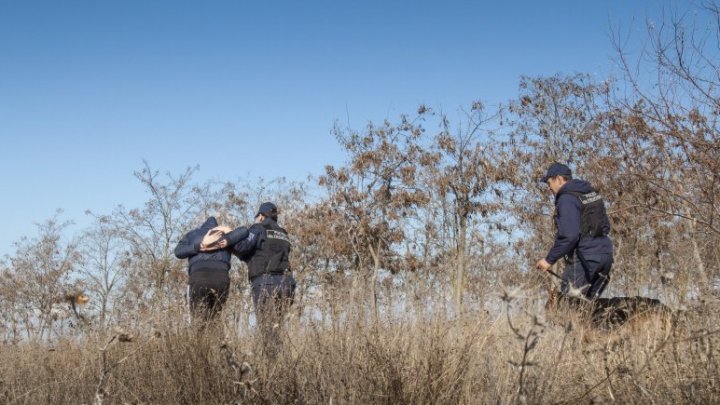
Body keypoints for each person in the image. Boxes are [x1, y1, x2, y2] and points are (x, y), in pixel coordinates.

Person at [536, 163, 614, 299]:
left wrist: (549, 260)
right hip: (605, 256)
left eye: (549, 182)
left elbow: (569, 236)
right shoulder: (591, 193)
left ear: (559, 179)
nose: (549, 188)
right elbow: (606, 226)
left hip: (584, 258)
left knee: (569, 308)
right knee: (589, 310)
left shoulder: (566, 198)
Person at [231, 202, 295, 354]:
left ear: (261, 215)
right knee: (276, 328)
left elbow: (243, 247)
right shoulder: (283, 233)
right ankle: (280, 362)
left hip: (266, 281)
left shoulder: (258, 228)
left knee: (267, 328)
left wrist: (229, 242)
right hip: (287, 283)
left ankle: (273, 367)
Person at [174, 216, 248, 322]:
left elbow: (178, 252)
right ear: (217, 227)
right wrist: (228, 236)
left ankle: (199, 338)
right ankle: (214, 337)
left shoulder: (192, 234)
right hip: (221, 279)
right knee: (215, 319)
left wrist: (199, 245)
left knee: (197, 319)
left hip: (199, 277)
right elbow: (244, 231)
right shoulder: (225, 235)